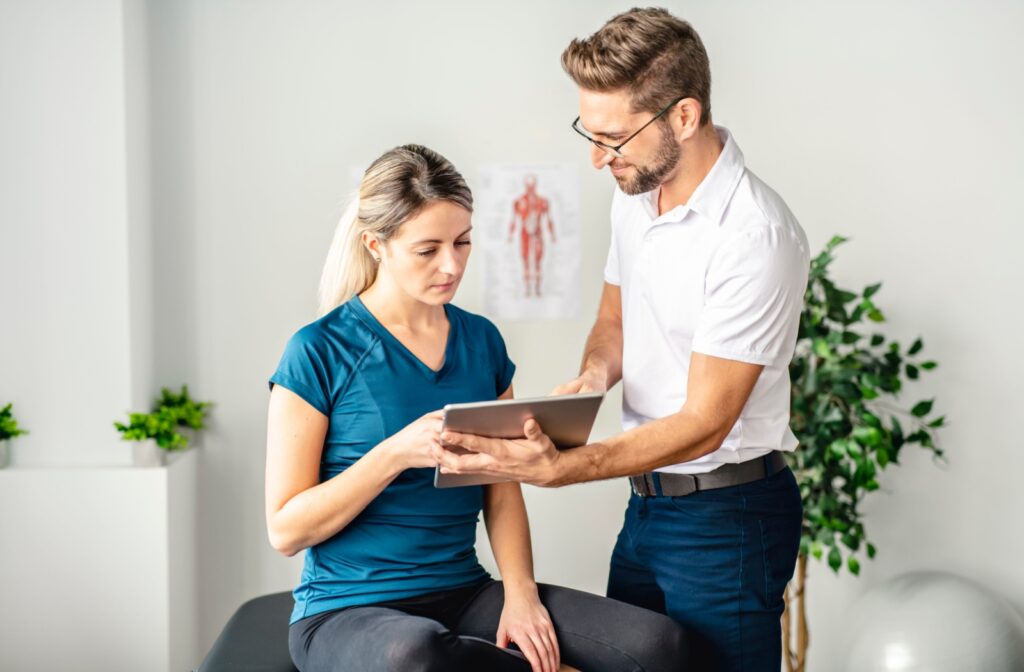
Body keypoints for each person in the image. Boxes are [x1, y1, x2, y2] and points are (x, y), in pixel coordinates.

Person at [436, 9, 810, 671]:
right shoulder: (636, 196)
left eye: (614, 137)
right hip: (647, 509)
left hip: (728, 517)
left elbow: (705, 422)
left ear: (684, 117)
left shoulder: (754, 237)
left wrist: (567, 468)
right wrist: (590, 380)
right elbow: (615, 320)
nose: (597, 156)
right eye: (590, 131)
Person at [265, 144, 689, 672]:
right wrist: (394, 454)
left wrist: (521, 594)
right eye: (428, 250)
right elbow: (285, 530)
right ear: (376, 244)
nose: (452, 264)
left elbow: (502, 487)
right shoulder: (318, 350)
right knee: (413, 655)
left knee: (656, 646)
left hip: (463, 592)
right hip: (348, 611)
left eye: (463, 242)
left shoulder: (481, 342)